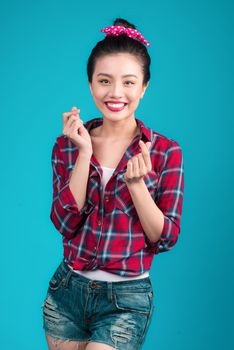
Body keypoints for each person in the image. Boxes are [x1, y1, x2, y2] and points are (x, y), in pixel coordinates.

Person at [42, 17, 184, 350]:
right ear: (91, 84)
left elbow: (164, 239)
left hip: (126, 300)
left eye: (129, 82)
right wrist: (83, 153)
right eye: (104, 81)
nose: (115, 93)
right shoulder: (68, 143)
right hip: (67, 292)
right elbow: (65, 223)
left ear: (144, 87)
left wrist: (137, 186)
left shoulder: (165, 151)